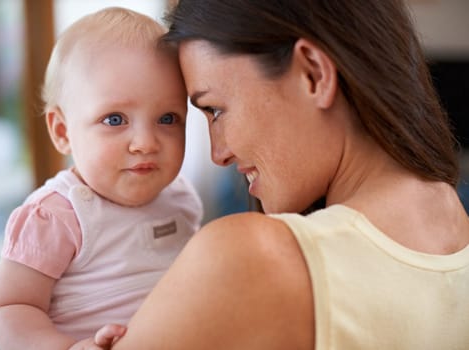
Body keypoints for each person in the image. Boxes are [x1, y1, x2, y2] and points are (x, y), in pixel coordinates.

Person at [107, 1, 469, 349]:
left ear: (312, 74)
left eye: (215, 110)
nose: (219, 154)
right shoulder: (456, 234)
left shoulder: (250, 259)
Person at [0, 7, 202, 350]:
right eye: (115, 119)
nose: (146, 142)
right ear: (63, 131)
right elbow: (11, 307)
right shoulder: (56, 215)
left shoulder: (181, 198)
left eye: (167, 118)